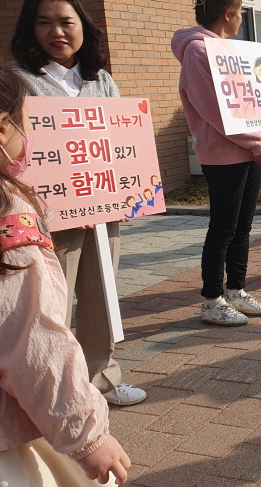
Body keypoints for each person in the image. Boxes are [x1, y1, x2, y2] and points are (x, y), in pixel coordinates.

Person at [10, 0, 146, 406]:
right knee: (50, 303)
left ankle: (101, 379)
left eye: (66, 22)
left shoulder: (101, 80)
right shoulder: (18, 81)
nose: (57, 32)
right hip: (49, 217)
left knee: (100, 296)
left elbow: (124, 142)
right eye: (44, 23)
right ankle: (54, 390)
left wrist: (127, 191)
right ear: (29, 29)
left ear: (83, 26)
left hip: (103, 208)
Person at [0, 65, 132, 486]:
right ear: (3, 129)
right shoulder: (9, 216)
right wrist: (88, 438)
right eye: (26, 121)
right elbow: (34, 343)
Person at [173, 0, 261, 326]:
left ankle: (236, 290)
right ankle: (211, 299)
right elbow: (215, 110)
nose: (241, 20)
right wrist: (258, 142)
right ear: (227, 15)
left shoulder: (236, 50)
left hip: (251, 152)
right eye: (239, 14)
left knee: (242, 227)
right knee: (222, 228)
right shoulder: (198, 52)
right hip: (224, 155)